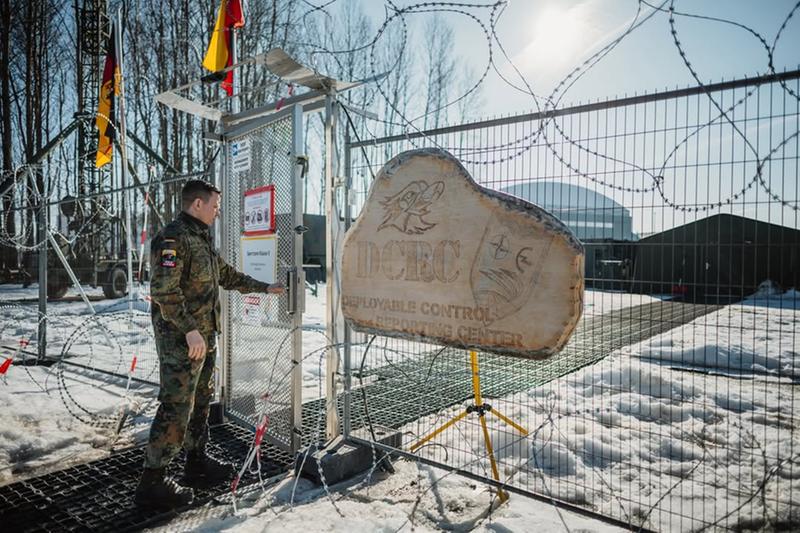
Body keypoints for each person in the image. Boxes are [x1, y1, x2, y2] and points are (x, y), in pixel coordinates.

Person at [135, 180, 284, 509]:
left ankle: (196, 463)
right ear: (198, 204)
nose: (217, 211)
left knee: (201, 401)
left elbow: (225, 275)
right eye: (215, 206)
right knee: (176, 406)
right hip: (181, 341)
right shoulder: (173, 238)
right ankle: (152, 483)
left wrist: (264, 287)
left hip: (203, 339)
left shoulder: (200, 239)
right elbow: (164, 292)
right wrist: (190, 330)